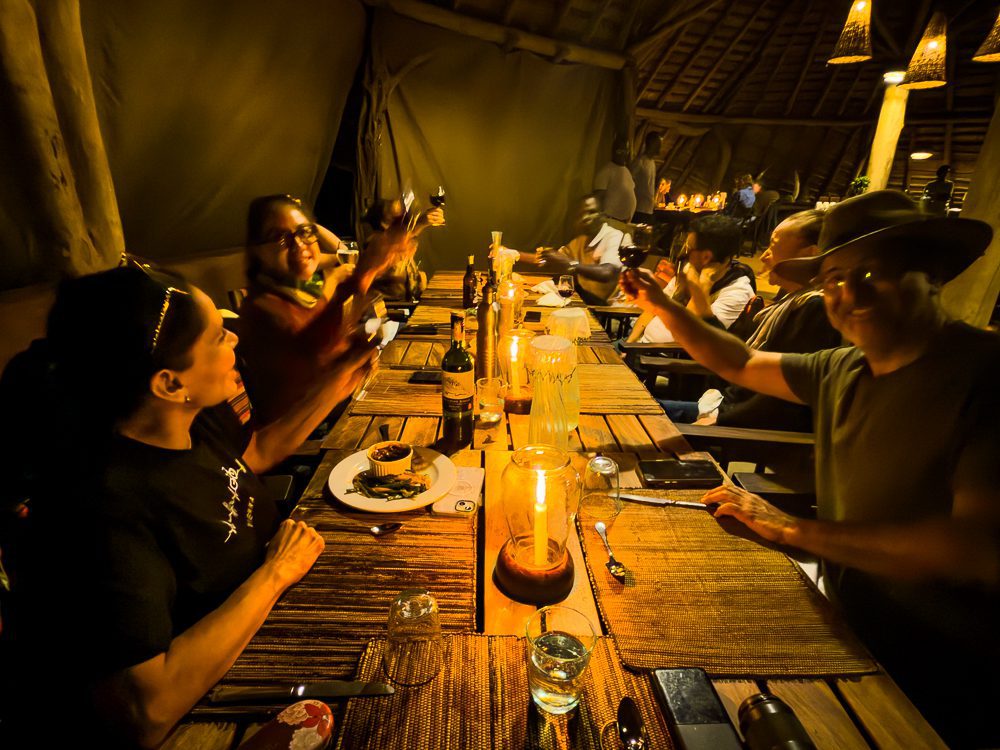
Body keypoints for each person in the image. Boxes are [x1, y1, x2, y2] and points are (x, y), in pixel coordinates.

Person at [621, 189, 999, 748]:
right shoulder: (843, 366)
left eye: (872, 272)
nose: (846, 293)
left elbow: (974, 550)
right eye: (832, 279)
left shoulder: (983, 376)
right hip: (845, 618)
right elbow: (740, 360)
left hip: (938, 667)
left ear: (933, 273)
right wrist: (664, 305)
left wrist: (797, 531)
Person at [2, 265, 376, 746]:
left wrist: (337, 381)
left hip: (277, 605)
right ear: (170, 383)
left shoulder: (184, 421)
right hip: (219, 708)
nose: (235, 342)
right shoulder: (104, 512)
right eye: (219, 337)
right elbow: (147, 712)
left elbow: (254, 455)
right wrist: (275, 573)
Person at [237, 194, 413, 425]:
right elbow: (316, 354)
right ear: (257, 251)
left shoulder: (298, 292)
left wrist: (358, 348)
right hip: (315, 437)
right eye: (280, 237)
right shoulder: (261, 309)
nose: (298, 244)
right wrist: (366, 270)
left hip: (344, 407)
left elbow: (334, 341)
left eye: (305, 231)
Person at [659, 209, 841, 429]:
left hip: (743, 426)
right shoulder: (789, 299)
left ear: (810, 254)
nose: (764, 256)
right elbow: (736, 356)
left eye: (773, 246)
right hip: (724, 405)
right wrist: (697, 294)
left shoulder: (814, 308)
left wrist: (720, 421)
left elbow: (781, 393)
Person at [629, 214, 755, 343]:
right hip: (636, 347)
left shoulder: (736, 293)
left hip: (658, 358)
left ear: (706, 257)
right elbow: (653, 310)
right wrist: (629, 345)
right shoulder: (690, 271)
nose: (683, 254)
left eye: (689, 248)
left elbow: (688, 333)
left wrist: (701, 286)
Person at [515, 194, 631, 306]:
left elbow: (607, 273)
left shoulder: (614, 236)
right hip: (591, 301)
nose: (585, 218)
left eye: (591, 212)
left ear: (603, 215)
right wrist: (513, 254)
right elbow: (546, 260)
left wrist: (570, 263)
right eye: (581, 215)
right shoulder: (580, 240)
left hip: (614, 311)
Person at [593, 136, 636, 223]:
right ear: (613, 151)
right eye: (619, 151)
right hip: (611, 221)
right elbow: (597, 198)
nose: (622, 154)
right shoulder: (606, 171)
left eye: (625, 151)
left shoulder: (626, 170)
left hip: (624, 222)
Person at [631, 132, 662, 223]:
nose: (660, 147)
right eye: (658, 144)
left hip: (648, 209)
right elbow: (629, 182)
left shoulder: (652, 163)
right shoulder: (639, 162)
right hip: (639, 210)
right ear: (651, 144)